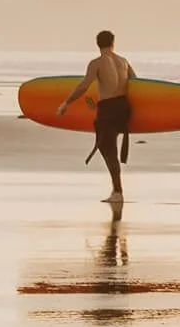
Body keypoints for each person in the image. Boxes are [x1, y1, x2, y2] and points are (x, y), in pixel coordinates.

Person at [56, 30, 136, 204]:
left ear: (97, 44)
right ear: (113, 43)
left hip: (108, 109)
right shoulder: (123, 62)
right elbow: (136, 83)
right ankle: (117, 190)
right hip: (123, 108)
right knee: (108, 145)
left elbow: (84, 85)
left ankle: (118, 191)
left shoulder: (97, 63)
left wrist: (65, 103)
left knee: (107, 148)